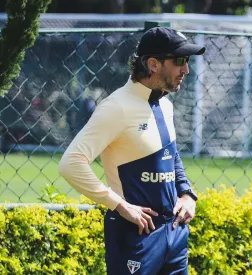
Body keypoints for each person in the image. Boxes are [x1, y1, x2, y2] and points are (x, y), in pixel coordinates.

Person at [59, 26, 204, 275]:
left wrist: (187, 193)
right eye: (180, 61)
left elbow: (171, 155)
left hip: (174, 234)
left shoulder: (165, 105)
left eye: (188, 61)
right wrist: (119, 205)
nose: (186, 70)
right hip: (135, 236)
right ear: (153, 64)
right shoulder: (116, 107)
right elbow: (70, 163)